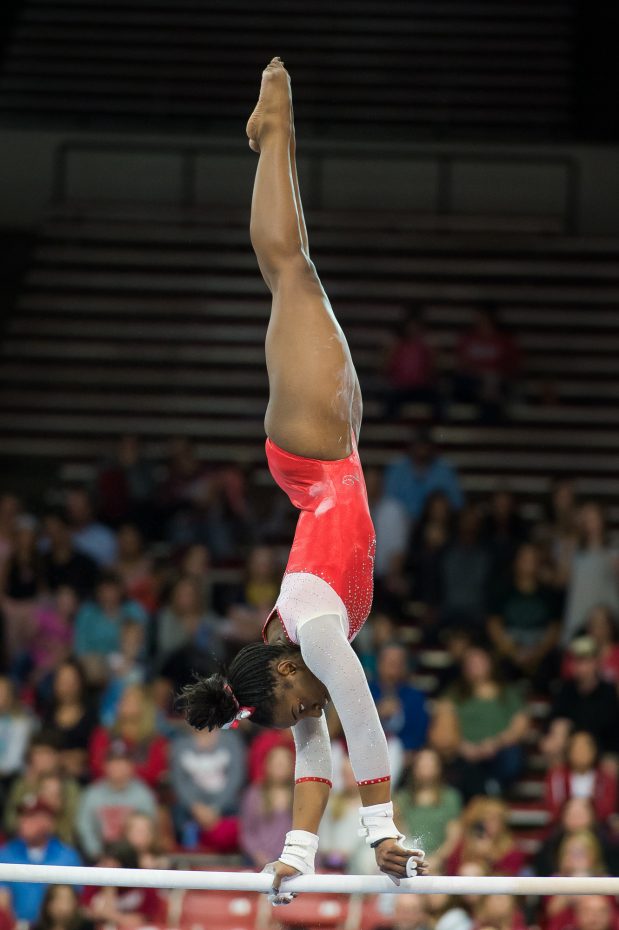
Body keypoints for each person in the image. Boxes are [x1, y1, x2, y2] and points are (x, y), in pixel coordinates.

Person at [180, 58, 426, 901]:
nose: (299, 723)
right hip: (334, 449)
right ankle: (273, 132)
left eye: (289, 712)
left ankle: (273, 123)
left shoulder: (316, 634)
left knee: (290, 271)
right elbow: (321, 749)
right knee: (292, 273)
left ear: (281, 676)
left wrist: (381, 830)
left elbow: (359, 720)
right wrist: (296, 855)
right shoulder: (300, 662)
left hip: (313, 452)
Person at [430, 645, 528, 799]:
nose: (475, 667)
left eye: (479, 662)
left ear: (490, 664)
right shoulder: (454, 694)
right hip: (464, 753)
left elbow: (521, 725)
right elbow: (442, 726)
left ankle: (494, 791)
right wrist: (463, 747)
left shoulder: (507, 693)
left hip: (498, 751)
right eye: (470, 663)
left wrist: (495, 743)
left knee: (512, 757)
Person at [487, 542, 561, 686]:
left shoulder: (549, 593)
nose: (528, 564)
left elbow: (555, 629)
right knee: (500, 669)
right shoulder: (502, 590)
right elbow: (493, 625)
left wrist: (537, 653)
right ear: (516, 562)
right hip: (510, 649)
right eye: (524, 559)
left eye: (532, 559)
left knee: (549, 670)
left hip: (540, 651)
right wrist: (513, 652)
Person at [0, 795, 82, 924]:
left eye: (32, 817)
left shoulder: (67, 856)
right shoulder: (5, 855)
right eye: (22, 816)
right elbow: (2, 901)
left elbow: (75, 903)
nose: (24, 821)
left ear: (49, 822)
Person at [170, 723, 246, 853]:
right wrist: (195, 806)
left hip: (226, 806)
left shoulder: (231, 740)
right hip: (191, 808)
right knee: (177, 814)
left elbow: (235, 777)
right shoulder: (179, 744)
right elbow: (179, 781)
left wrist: (216, 808)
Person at [542, 636, 619, 762]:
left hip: (603, 750)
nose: (580, 667)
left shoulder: (609, 691)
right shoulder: (566, 689)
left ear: (596, 662)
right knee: (554, 749)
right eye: (576, 661)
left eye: (585, 661)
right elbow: (555, 719)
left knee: (610, 766)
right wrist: (558, 733)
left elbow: (611, 729)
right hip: (572, 749)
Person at [76, 740, 157, 860]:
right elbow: (84, 828)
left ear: (131, 765)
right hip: (98, 860)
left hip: (134, 859)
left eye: (122, 761)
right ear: (104, 765)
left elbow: (149, 831)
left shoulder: (143, 795)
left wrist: (134, 856)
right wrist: (99, 855)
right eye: (113, 762)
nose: (118, 766)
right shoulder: (92, 794)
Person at [394, 749, 462, 873]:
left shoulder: (450, 797)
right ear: (414, 767)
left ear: (438, 768)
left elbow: (454, 837)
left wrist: (437, 859)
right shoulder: (402, 798)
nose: (425, 768)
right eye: (422, 764)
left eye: (430, 764)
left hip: (439, 862)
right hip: (408, 858)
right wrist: (411, 860)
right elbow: (401, 834)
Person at [369, 643, 430, 779]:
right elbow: (353, 727)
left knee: (395, 748)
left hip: (404, 755)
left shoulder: (415, 696)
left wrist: (409, 751)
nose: (393, 666)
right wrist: (377, 713)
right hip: (367, 752)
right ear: (379, 663)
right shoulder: (365, 692)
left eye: (398, 662)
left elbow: (420, 732)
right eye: (389, 661)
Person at [89, 684, 168, 790]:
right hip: (105, 795)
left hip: (143, 796)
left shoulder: (156, 741)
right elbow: (96, 768)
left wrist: (117, 771)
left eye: (131, 700)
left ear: (144, 706)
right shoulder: (103, 735)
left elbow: (153, 774)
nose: (123, 703)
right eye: (123, 699)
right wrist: (132, 771)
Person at [562, 503, 619, 646]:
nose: (590, 523)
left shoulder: (614, 552)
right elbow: (561, 579)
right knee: (581, 665)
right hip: (579, 622)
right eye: (586, 519)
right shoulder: (573, 551)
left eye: (594, 518)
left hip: (609, 623)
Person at [384, 427, 463, 522]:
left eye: (425, 444)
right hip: (404, 523)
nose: (422, 449)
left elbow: (457, 504)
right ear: (412, 446)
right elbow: (389, 500)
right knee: (390, 510)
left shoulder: (444, 469)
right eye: (419, 444)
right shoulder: (398, 468)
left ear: (431, 446)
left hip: (436, 525)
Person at [42, 659, 99, 781]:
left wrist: (80, 757)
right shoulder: (47, 712)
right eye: (62, 680)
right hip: (50, 772)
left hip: (81, 772)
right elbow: (42, 745)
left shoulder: (92, 714)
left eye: (71, 680)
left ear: (80, 682)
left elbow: (97, 749)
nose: (67, 686)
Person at [240, 745, 294, 869]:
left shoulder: (298, 795)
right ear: (267, 765)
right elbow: (246, 831)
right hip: (256, 858)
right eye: (276, 763)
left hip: (289, 858)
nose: (280, 766)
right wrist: (256, 853)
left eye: (284, 763)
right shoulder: (254, 794)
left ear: (292, 767)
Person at [544, 731, 617, 823]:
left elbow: (608, 810)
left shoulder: (606, 778)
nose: (581, 752)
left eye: (585, 747)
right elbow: (553, 808)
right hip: (563, 826)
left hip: (598, 827)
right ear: (569, 751)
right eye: (577, 748)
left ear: (594, 751)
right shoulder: (556, 776)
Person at [41, 510, 98, 599]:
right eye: (49, 530)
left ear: (67, 530)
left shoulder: (86, 564)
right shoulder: (41, 563)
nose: (53, 535)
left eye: (57, 530)